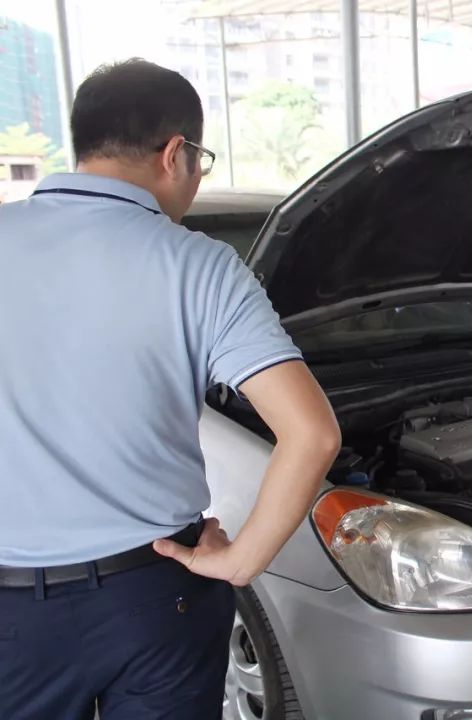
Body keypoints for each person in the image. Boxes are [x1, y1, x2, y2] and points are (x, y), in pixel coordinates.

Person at [0, 59, 341, 719]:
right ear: (175, 153)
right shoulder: (198, 263)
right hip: (157, 593)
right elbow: (313, 432)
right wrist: (242, 562)